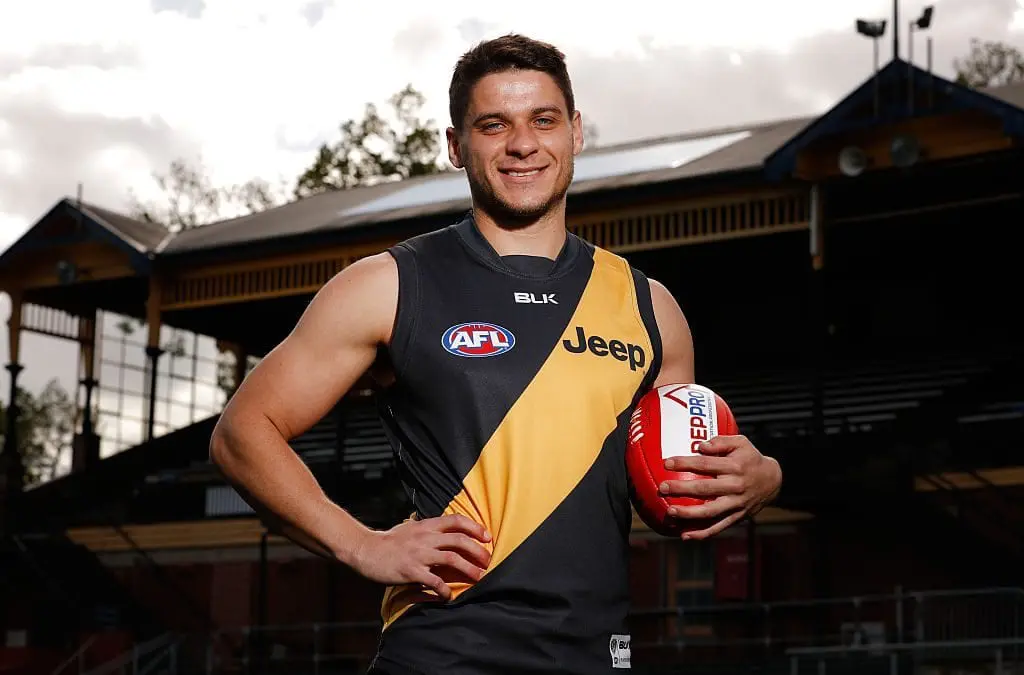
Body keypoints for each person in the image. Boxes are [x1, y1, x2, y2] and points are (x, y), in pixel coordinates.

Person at [210, 33, 782, 675]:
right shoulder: (392, 285)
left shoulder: (651, 309)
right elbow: (241, 434)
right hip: (444, 652)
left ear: (576, 132)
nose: (522, 144)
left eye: (544, 119)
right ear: (456, 146)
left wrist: (761, 480)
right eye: (493, 124)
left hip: (597, 656)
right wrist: (361, 545)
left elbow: (673, 490)